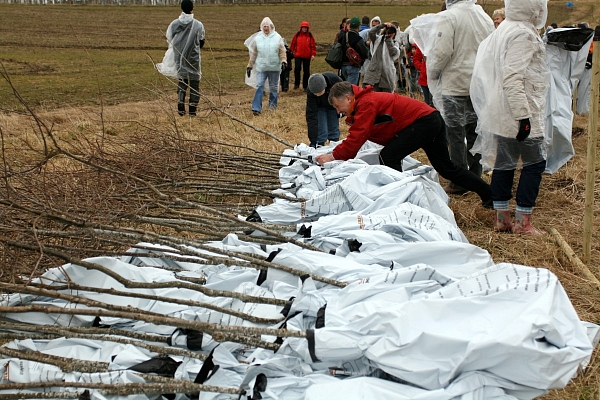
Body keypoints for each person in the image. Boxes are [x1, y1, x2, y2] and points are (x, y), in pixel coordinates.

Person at [315, 82, 492, 208]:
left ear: (348, 97)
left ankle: (402, 199)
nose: (339, 112)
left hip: (425, 122)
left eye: (339, 107)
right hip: (431, 119)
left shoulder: (367, 103)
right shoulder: (366, 101)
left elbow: (358, 137)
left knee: (388, 156)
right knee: (446, 168)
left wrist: (333, 156)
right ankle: (489, 194)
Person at [470, 0, 549, 234]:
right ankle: (523, 222)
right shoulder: (522, 33)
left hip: (503, 110)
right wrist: (524, 118)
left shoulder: (506, 27)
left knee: (504, 163)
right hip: (518, 109)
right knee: (535, 164)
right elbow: (513, 77)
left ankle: (502, 218)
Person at [426, 0, 494, 195]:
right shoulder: (482, 15)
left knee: (455, 135)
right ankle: (475, 175)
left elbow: (442, 50)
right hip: (477, 83)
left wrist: (433, 72)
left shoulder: (449, 16)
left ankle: (460, 181)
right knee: (475, 132)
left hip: (455, 83)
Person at [158, 0, 205, 117]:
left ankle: (180, 101)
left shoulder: (174, 24)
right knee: (194, 83)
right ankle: (192, 111)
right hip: (194, 58)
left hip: (179, 58)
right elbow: (202, 41)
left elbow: (169, 37)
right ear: (192, 8)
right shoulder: (198, 25)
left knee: (182, 80)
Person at [247, 17, 287, 116]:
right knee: (259, 85)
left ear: (271, 27)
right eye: (264, 26)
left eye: (267, 26)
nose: (265, 28)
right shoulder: (258, 38)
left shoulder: (277, 37)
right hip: (261, 67)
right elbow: (254, 53)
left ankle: (272, 108)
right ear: (261, 27)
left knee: (273, 88)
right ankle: (256, 108)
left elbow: (282, 51)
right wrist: (249, 66)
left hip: (274, 68)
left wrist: (283, 61)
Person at [306, 72, 342, 147]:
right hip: (319, 107)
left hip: (333, 106)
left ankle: (335, 144)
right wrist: (313, 140)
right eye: (315, 94)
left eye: (319, 92)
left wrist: (341, 112)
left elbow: (345, 97)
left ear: (325, 87)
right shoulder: (310, 91)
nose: (317, 95)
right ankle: (319, 145)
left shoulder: (335, 82)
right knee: (321, 127)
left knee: (333, 127)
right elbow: (311, 115)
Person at [363, 23, 400, 92]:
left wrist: (388, 40)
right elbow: (371, 32)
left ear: (395, 33)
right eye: (388, 31)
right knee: (372, 98)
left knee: (386, 99)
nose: (389, 33)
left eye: (391, 32)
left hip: (386, 75)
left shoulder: (395, 43)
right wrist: (382, 25)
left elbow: (393, 53)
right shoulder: (377, 40)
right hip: (373, 74)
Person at [337, 17, 369, 85]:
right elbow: (365, 53)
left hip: (343, 67)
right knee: (351, 90)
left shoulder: (343, 36)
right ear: (358, 27)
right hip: (353, 67)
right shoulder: (358, 39)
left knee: (345, 88)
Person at [290, 21, 317, 91]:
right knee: (297, 70)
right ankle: (296, 84)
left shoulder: (310, 36)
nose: (304, 29)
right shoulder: (297, 35)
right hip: (298, 56)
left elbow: (313, 46)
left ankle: (305, 85)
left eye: (306, 28)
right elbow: (293, 44)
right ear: (301, 28)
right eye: (303, 28)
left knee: (306, 71)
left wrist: (313, 54)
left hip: (307, 57)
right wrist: (291, 52)